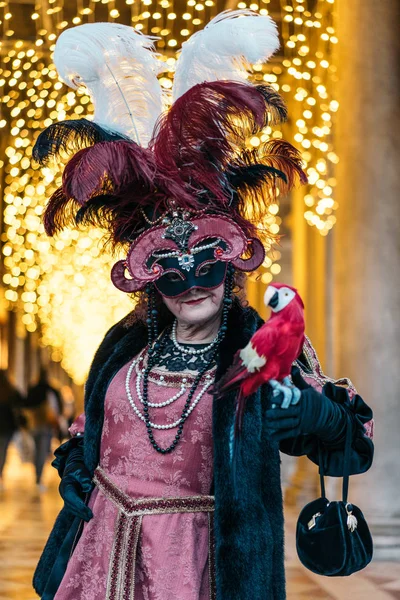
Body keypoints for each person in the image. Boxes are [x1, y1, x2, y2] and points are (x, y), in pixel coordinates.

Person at [32, 13, 374, 600]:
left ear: (234, 260)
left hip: (205, 566)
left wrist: (324, 420)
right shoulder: (122, 344)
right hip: (99, 555)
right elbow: (94, 432)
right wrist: (75, 467)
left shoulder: (260, 350)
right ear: (143, 278)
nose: (193, 282)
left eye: (209, 263)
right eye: (170, 269)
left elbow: (349, 448)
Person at [25, 367, 63, 490]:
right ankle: (38, 477)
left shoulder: (33, 389)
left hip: (34, 424)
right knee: (42, 451)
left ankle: (37, 474)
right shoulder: (51, 390)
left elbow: (26, 404)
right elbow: (59, 408)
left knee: (37, 450)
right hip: (46, 426)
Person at [0, 370, 24, 490]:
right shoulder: (10, 390)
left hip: (7, 427)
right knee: (3, 451)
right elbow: (21, 401)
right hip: (7, 428)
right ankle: (0, 475)